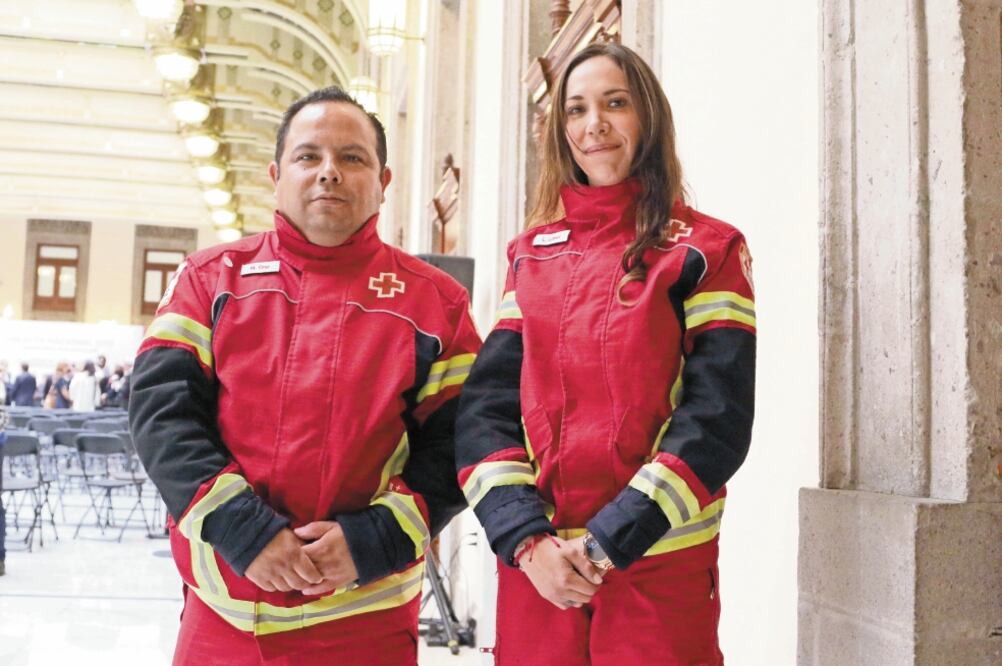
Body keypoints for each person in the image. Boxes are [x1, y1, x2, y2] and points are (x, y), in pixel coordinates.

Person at [129, 86, 480, 665]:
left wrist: (378, 537)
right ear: (277, 173)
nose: (329, 174)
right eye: (308, 156)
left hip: (364, 621)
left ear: (383, 181)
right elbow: (161, 415)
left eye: (352, 158)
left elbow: (458, 443)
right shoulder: (210, 281)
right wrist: (243, 530)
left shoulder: (436, 303)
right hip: (225, 619)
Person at [456, 43, 756, 665]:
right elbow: (487, 411)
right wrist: (527, 541)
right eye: (576, 109)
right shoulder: (530, 255)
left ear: (647, 117)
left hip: (656, 571)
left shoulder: (706, 250)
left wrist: (604, 545)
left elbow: (716, 421)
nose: (593, 124)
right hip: (539, 576)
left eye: (614, 103)